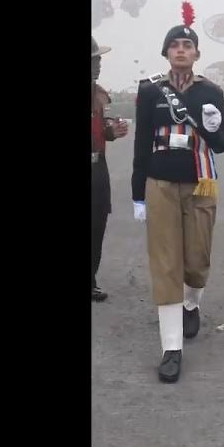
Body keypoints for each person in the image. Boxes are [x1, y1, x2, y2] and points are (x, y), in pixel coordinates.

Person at [131, 2, 224, 383]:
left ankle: (192, 302)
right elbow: (142, 143)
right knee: (166, 264)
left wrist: (211, 125)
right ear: (166, 52)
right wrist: (138, 193)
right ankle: (171, 348)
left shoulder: (211, 91)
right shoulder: (149, 91)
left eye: (186, 45)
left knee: (196, 259)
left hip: (200, 182)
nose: (180, 50)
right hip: (160, 182)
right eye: (174, 45)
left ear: (196, 54)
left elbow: (222, 144)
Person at [91, 62, 129, 302]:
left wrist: (110, 132)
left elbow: (99, 131)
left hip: (97, 167)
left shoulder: (98, 95)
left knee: (97, 223)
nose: (97, 67)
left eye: (98, 62)